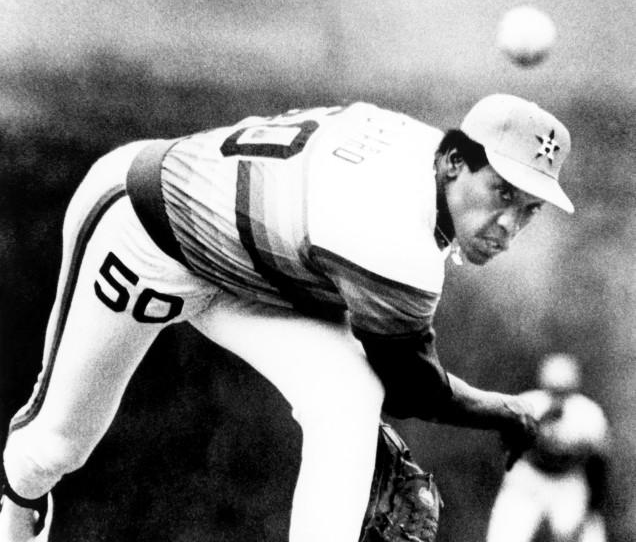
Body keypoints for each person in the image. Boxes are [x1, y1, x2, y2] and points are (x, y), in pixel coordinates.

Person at [0, 94, 573, 542]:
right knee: (51, 450)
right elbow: (414, 390)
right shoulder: (393, 238)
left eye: (528, 208)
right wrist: (507, 411)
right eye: (501, 192)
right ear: (453, 160)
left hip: (249, 269)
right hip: (144, 228)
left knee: (348, 398)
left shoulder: (422, 154)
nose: (508, 224)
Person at [486, 353, 611, 542]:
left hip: (567, 481)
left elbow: (599, 466)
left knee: (589, 536)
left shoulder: (588, 415)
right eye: (554, 390)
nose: (558, 397)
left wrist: (592, 508)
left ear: (573, 388)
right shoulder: (527, 404)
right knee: (505, 535)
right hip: (529, 478)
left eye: (564, 391)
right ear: (544, 385)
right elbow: (504, 447)